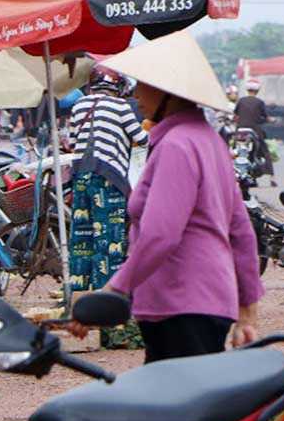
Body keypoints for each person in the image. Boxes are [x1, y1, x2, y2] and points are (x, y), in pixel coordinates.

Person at [73, 30, 263, 363]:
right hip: (207, 302)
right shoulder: (209, 141)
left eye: (144, 85)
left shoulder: (176, 145)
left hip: (179, 303)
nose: (136, 95)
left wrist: (114, 289)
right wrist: (247, 309)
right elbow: (241, 232)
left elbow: (160, 234)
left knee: (175, 393)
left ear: (168, 93)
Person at [67, 67, 148, 293]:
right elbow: (141, 139)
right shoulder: (121, 106)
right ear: (118, 87)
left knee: (81, 237)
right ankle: (105, 297)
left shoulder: (79, 105)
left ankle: (78, 294)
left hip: (80, 174)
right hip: (108, 176)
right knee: (108, 238)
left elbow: (72, 141)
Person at [233, 79, 274, 181]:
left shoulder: (241, 101)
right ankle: (271, 177)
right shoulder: (259, 102)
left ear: (247, 89)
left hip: (240, 131)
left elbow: (235, 115)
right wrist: (271, 120)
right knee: (265, 151)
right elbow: (266, 117)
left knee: (233, 150)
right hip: (254, 130)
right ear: (258, 90)